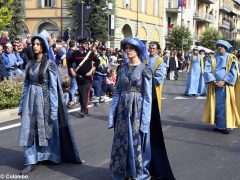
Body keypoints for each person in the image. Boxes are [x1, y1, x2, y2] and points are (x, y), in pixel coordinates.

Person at [18, 34, 83, 175]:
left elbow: (54, 88)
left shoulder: (50, 64)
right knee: (29, 129)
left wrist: (54, 109)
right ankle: (30, 160)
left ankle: (49, 155)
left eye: (38, 44)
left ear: (43, 46)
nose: (35, 46)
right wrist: (22, 104)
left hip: (45, 100)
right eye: (33, 44)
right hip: (30, 100)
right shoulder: (29, 64)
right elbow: (26, 85)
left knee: (47, 129)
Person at [109, 37, 153, 180]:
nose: (127, 50)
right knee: (121, 141)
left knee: (136, 141)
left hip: (137, 109)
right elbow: (117, 92)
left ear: (138, 50)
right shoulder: (122, 68)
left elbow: (147, 97)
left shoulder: (145, 69)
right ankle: (122, 172)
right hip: (122, 110)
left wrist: (145, 120)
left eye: (131, 48)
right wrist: (112, 114)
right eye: (126, 48)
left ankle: (138, 173)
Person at [202, 40, 240, 134]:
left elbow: (233, 71)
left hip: (226, 86)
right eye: (218, 46)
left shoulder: (231, 57)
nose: (220, 47)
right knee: (216, 105)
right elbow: (207, 70)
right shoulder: (212, 57)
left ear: (226, 48)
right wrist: (214, 81)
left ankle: (226, 126)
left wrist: (224, 81)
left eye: (222, 46)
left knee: (226, 105)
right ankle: (219, 125)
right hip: (214, 86)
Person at [69, 38, 100, 118]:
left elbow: (97, 61)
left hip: (88, 78)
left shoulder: (90, 53)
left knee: (84, 93)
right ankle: (84, 109)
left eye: (87, 43)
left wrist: (91, 70)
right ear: (80, 44)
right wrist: (72, 70)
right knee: (80, 93)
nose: (86, 45)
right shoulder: (75, 53)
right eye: (84, 43)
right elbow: (69, 62)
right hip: (78, 77)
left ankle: (83, 110)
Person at [147, 41, 165, 113]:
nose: (151, 50)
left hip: (154, 86)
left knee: (153, 107)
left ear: (157, 50)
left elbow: (159, 76)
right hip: (144, 86)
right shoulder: (145, 58)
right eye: (150, 48)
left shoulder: (159, 60)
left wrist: (148, 80)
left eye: (153, 48)